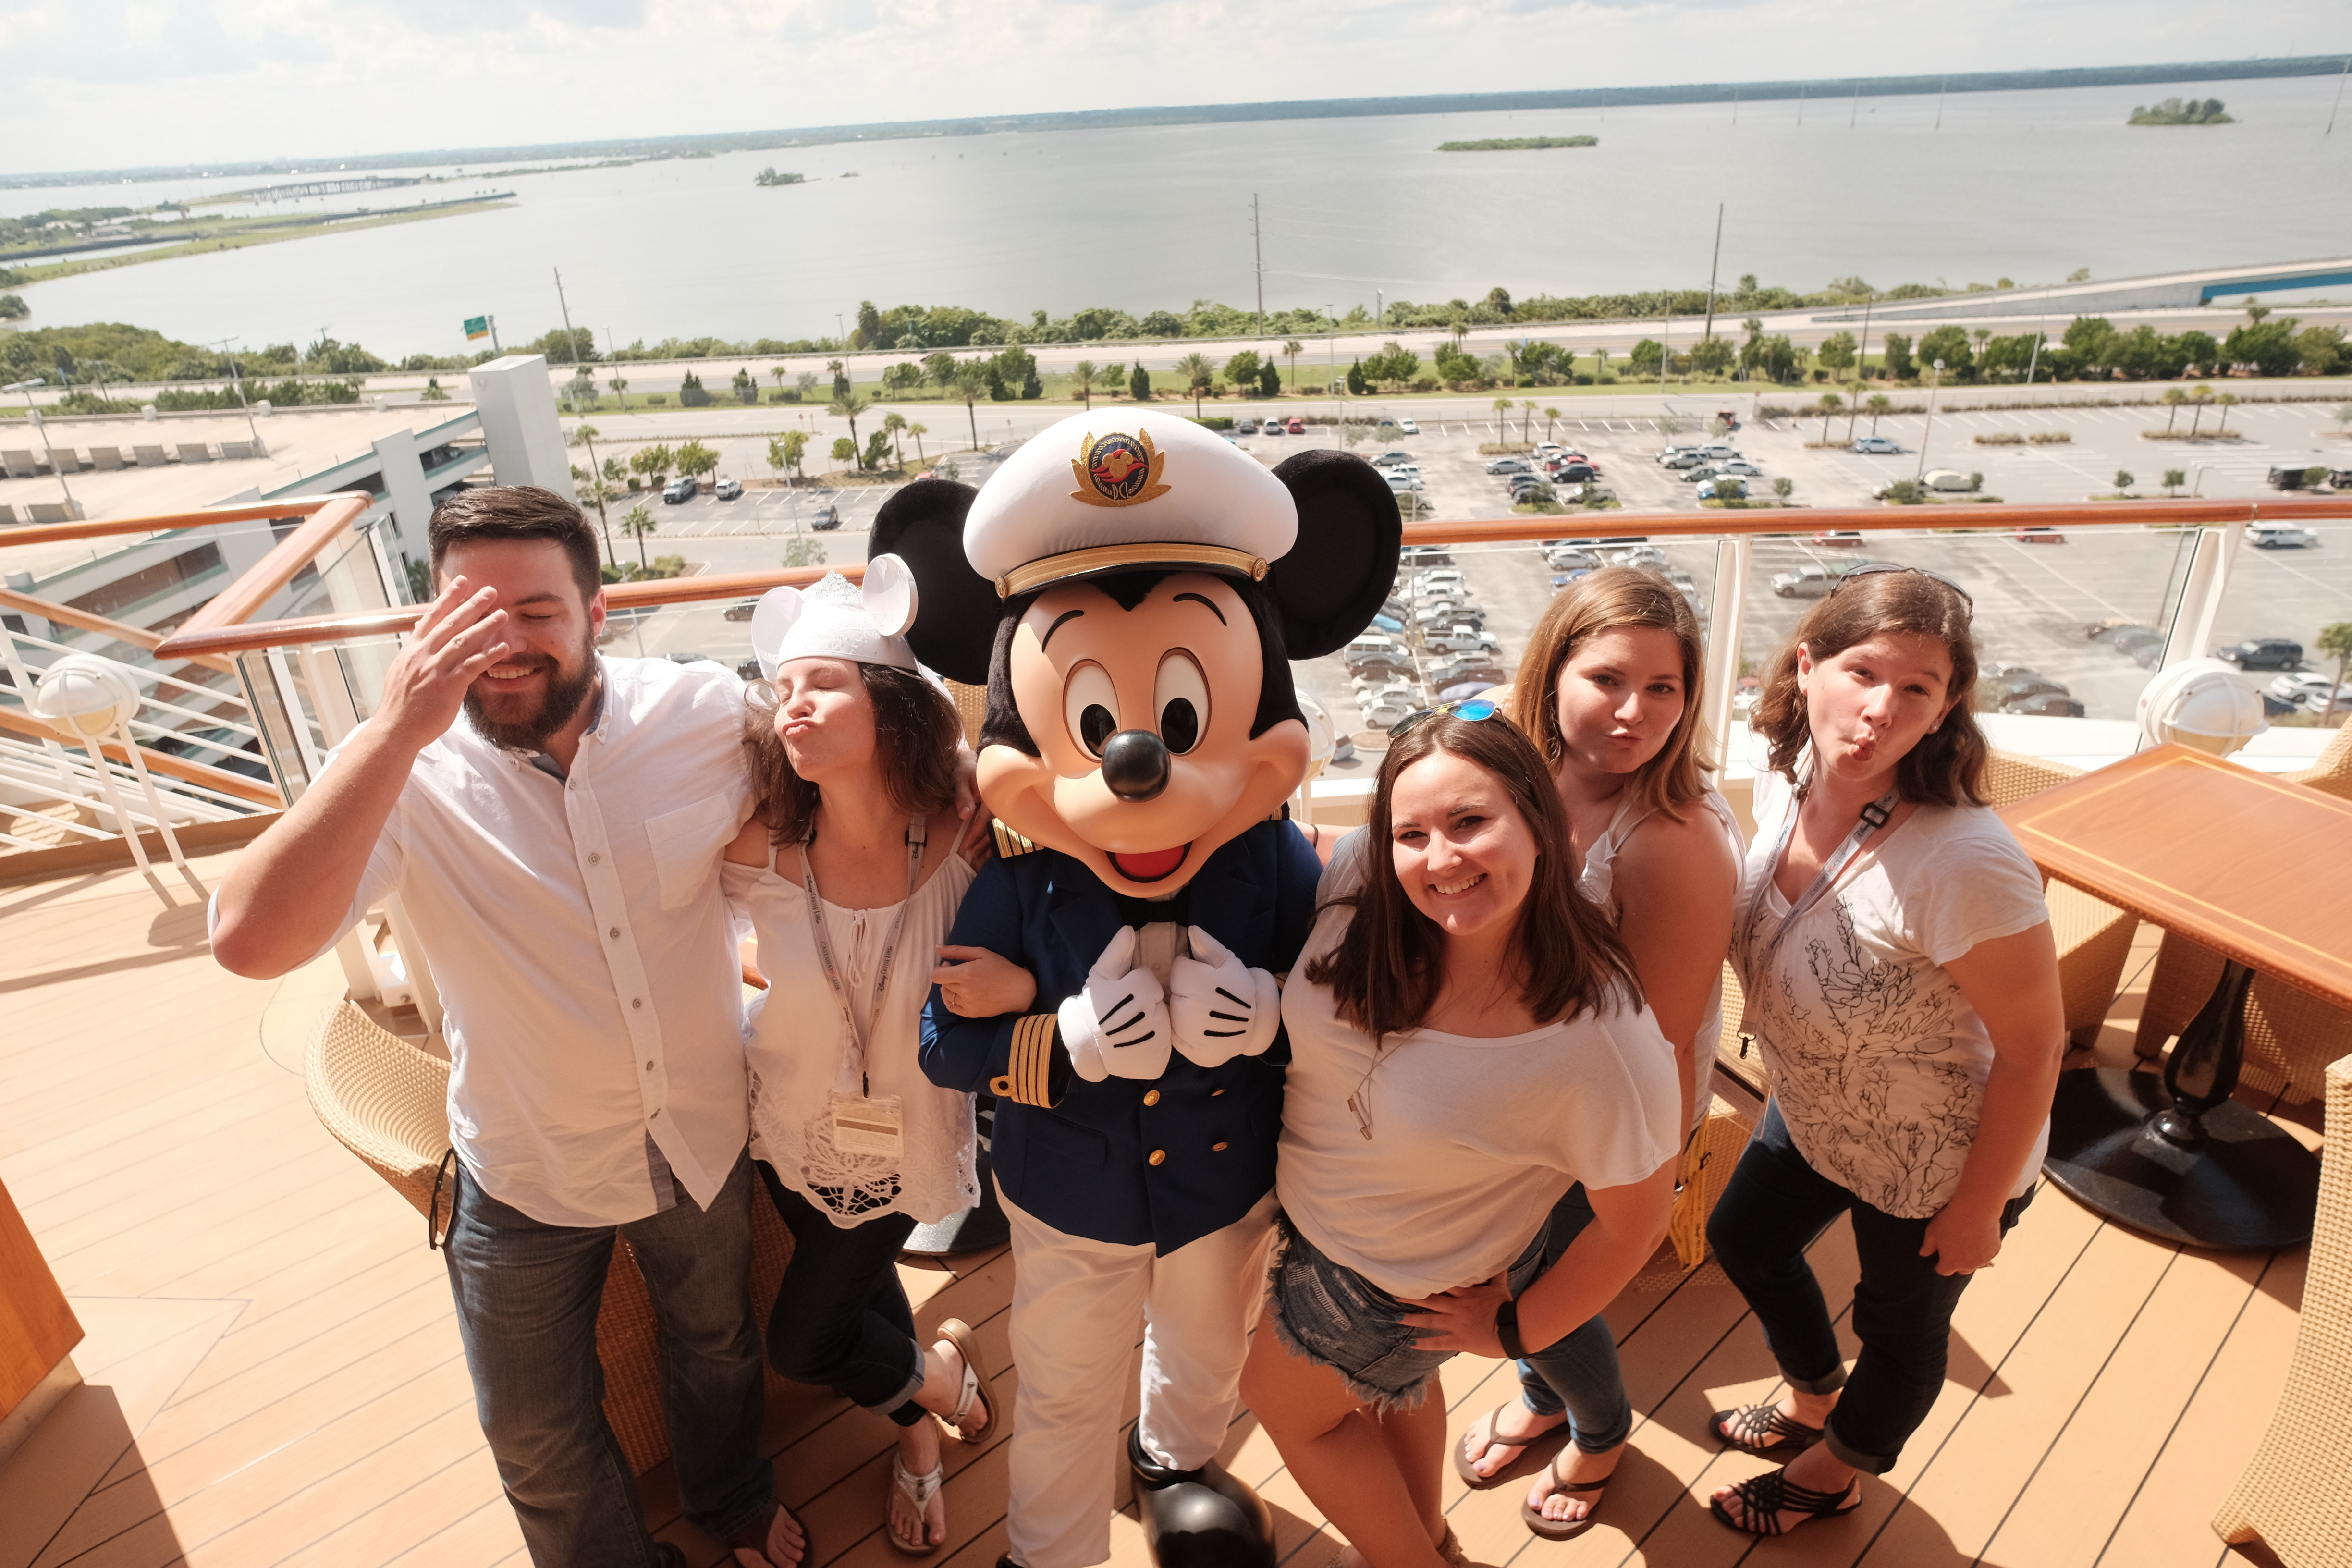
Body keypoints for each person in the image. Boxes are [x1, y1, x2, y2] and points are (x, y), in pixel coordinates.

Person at [209, 486, 805, 1568]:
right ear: (429, 623)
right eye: (471, 615)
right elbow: (247, 940)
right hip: (527, 1162)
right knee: (531, 1431)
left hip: (700, 1129)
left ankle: (729, 1500)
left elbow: (842, 778)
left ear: (597, 612)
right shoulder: (406, 770)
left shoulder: (704, 713)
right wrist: (395, 729)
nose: (504, 645)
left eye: (536, 612)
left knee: (717, 1343)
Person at [1239, 710, 1681, 1568]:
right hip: (1325, 1223)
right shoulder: (1371, 876)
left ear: (1540, 823)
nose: (1440, 859)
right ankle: (1432, 1540)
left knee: (1289, 1409)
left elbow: (1637, 1223)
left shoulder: (1598, 1039)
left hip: (1391, 1275)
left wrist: (1515, 1331)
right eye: (1412, 833)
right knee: (1397, 1394)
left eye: (1471, 822)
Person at [1704, 564, 2061, 1536]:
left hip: (1939, 1162)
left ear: (1945, 711)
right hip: (1817, 1108)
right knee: (1744, 1239)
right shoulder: (1789, 774)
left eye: (1917, 689)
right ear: (1807, 667)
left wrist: (1979, 1206)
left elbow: (2036, 1049)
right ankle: (1815, 1397)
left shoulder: (1964, 861)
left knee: (1898, 1329)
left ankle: (1833, 1472)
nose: (1880, 711)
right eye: (1863, 673)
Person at [721, 567, 1026, 1555]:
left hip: (906, 1132)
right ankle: (923, 1422)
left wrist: (969, 759)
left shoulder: (964, 841)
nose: (793, 705)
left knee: (803, 1341)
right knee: (855, 1291)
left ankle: (942, 1377)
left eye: (823, 683)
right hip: (787, 1123)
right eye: (783, 689)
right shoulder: (760, 845)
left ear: (890, 704)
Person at [1456, 567, 1743, 1534]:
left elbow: (1655, 1040)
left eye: (1664, 688)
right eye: (1608, 680)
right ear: (1553, 676)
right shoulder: (1527, 772)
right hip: (1525, 1090)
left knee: (1542, 1289)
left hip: (1606, 1122)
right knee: (1524, 1270)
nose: (1634, 713)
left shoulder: (1671, 839)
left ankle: (1599, 1428)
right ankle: (1545, 1400)